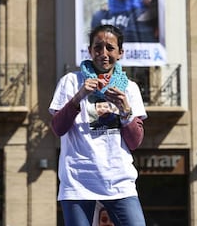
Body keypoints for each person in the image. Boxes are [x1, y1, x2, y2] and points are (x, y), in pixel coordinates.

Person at [49, 24, 147, 226]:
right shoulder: (70, 82)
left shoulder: (130, 88)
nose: (103, 53)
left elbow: (135, 142)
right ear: (90, 50)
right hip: (78, 181)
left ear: (120, 53)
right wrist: (79, 97)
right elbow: (58, 128)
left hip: (119, 181)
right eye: (98, 47)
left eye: (110, 48)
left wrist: (125, 110)